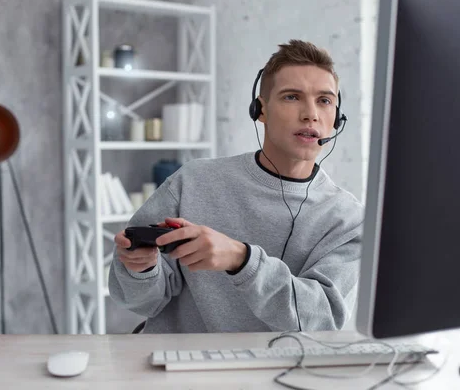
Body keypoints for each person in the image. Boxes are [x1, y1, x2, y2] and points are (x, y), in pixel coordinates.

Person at [109, 39, 364, 333]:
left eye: (325, 100)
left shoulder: (348, 219)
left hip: (274, 373)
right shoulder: (192, 181)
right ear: (260, 110)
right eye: (292, 97)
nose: (311, 114)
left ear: (337, 119)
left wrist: (241, 260)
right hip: (179, 368)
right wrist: (141, 269)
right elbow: (140, 302)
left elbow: (322, 321)